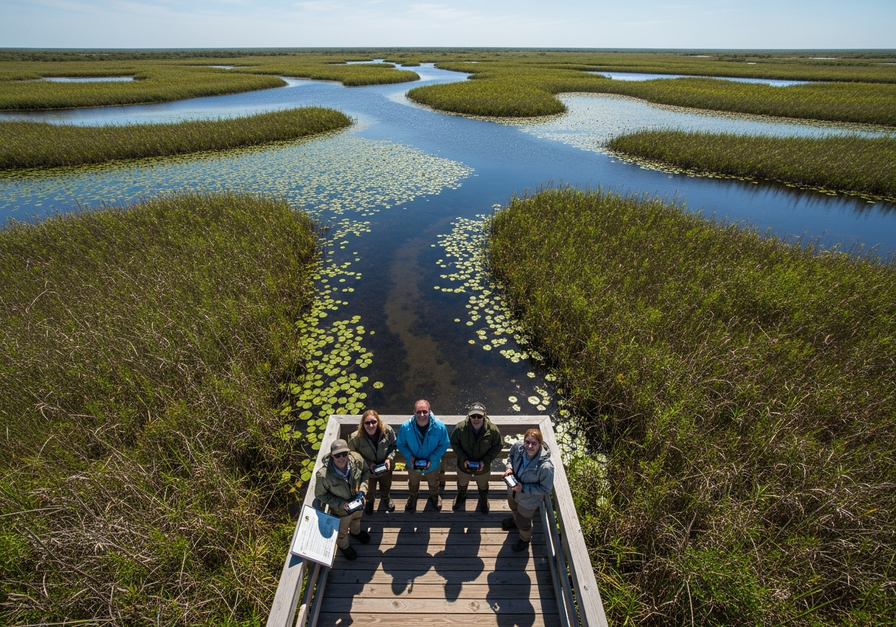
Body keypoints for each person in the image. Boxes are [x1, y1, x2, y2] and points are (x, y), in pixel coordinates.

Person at [314, 438, 370, 561]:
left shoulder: (357, 459)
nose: (341, 458)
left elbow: (366, 471)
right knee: (342, 531)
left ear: (348, 453)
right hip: (341, 510)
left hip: (358, 502)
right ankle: (344, 546)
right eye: (337, 455)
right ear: (332, 455)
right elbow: (320, 495)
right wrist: (340, 504)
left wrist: (362, 491)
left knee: (357, 519)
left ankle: (356, 533)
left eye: (344, 454)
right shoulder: (323, 475)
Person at [502, 428, 554, 552]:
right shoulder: (518, 447)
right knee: (514, 509)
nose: (529, 446)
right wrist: (509, 468)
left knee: (524, 523)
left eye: (534, 443)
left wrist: (523, 488)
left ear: (540, 444)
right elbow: (510, 457)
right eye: (527, 442)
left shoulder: (546, 467)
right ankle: (515, 520)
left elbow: (546, 488)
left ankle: (524, 540)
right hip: (512, 492)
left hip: (528, 501)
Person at [396, 399, 450, 511]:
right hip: (413, 465)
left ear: (429, 411)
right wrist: (409, 456)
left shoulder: (439, 426)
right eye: (419, 412)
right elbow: (401, 444)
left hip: (433, 465)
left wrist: (433, 458)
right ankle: (413, 496)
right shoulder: (406, 427)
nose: (422, 415)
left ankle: (435, 497)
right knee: (413, 483)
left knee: (433, 483)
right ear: (414, 412)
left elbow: (444, 444)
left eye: (425, 412)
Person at [450, 402, 503, 513]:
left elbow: (498, 445)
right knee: (462, 483)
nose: (476, 419)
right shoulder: (460, 428)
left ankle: (483, 499)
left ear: (484, 416)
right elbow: (454, 443)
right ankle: (461, 496)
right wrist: (464, 458)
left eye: (479, 416)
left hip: (483, 466)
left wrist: (486, 460)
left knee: (483, 485)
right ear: (469, 416)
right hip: (464, 465)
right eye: (473, 416)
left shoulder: (492, 430)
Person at [348, 409, 397, 515]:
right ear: (362, 424)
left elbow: (394, 446)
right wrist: (369, 464)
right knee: (369, 490)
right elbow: (352, 455)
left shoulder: (387, 431)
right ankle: (370, 501)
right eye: (367, 423)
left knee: (386, 485)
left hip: (385, 468)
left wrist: (389, 459)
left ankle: (386, 498)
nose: (371, 425)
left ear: (378, 421)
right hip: (367, 472)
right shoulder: (355, 438)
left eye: (373, 422)